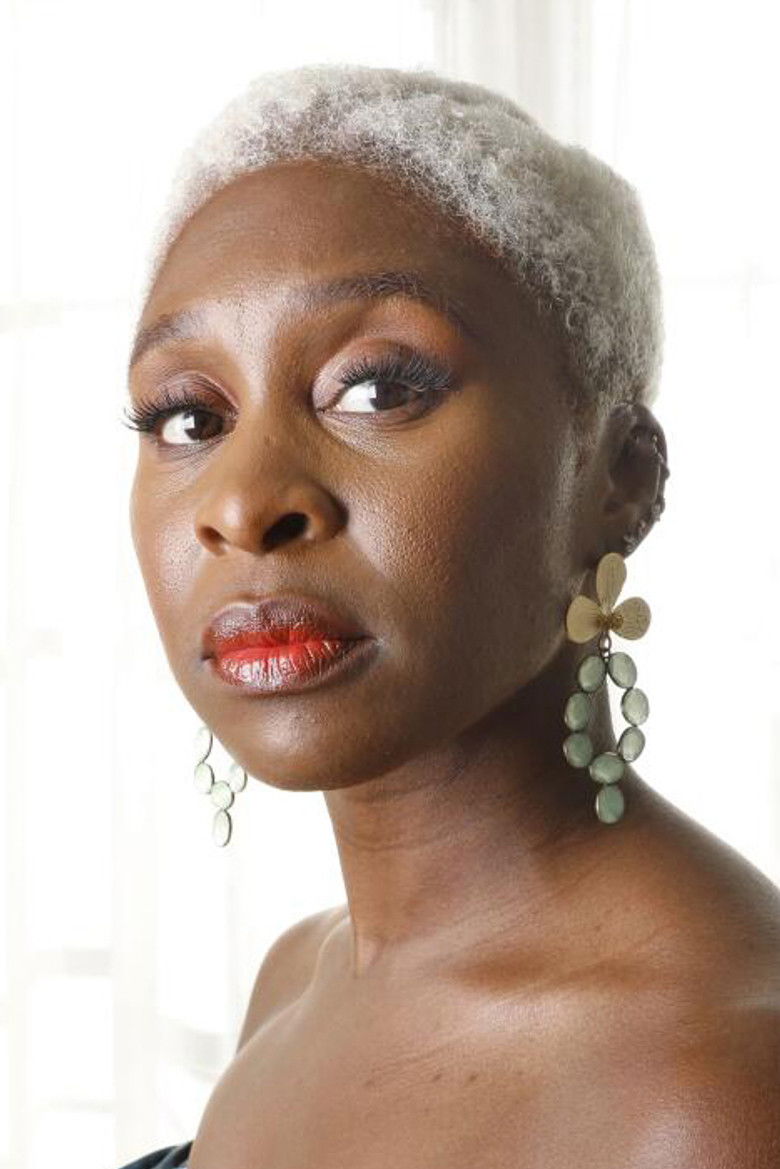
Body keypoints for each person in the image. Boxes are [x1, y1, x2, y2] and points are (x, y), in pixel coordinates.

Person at [118, 63, 780, 1169]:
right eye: (188, 416)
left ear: (619, 477)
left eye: (376, 388)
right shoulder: (295, 981)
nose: (243, 502)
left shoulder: (714, 1087)